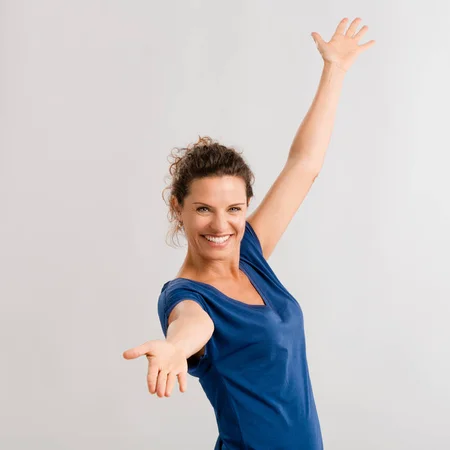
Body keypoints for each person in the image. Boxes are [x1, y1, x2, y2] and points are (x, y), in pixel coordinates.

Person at [123, 17, 375, 450]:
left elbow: (304, 164)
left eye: (234, 209)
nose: (221, 226)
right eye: (203, 209)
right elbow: (191, 326)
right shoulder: (186, 296)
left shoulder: (250, 253)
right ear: (177, 209)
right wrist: (175, 348)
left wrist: (334, 70)